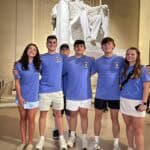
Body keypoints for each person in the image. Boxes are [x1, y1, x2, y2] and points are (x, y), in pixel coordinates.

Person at [36, 35, 67, 150]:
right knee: (43, 115)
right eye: (50, 42)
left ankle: (62, 138)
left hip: (58, 91)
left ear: (56, 44)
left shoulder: (62, 57)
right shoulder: (41, 57)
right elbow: (35, 71)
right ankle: (42, 139)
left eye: (54, 42)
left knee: (58, 115)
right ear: (46, 43)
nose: (52, 44)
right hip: (44, 91)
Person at [63, 40, 95, 149]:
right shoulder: (68, 61)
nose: (79, 48)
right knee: (72, 116)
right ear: (74, 48)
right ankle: (72, 137)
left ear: (84, 48)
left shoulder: (90, 60)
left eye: (81, 46)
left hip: (85, 94)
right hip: (71, 94)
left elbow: (92, 71)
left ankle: (84, 138)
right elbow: (61, 73)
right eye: (77, 46)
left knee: (84, 116)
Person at [94, 37, 124, 150]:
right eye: (104, 45)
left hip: (115, 95)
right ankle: (96, 142)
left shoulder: (120, 60)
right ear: (102, 47)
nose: (107, 46)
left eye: (109, 44)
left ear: (113, 46)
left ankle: (116, 143)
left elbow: (130, 68)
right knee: (97, 118)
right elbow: (87, 73)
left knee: (114, 119)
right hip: (100, 94)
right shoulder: (98, 61)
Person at [120, 47, 150, 150]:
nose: (130, 56)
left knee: (138, 130)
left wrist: (144, 103)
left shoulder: (142, 69)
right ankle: (130, 147)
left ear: (137, 56)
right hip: (124, 101)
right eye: (128, 54)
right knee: (129, 126)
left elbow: (146, 86)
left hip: (137, 102)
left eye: (132, 54)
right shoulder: (124, 68)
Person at [14, 43, 41, 150]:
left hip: (33, 97)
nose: (32, 50)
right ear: (26, 50)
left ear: (36, 53)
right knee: (22, 119)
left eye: (34, 49)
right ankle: (23, 141)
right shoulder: (18, 65)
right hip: (22, 97)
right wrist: (20, 97)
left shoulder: (39, 64)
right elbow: (17, 82)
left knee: (31, 119)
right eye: (30, 48)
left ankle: (30, 142)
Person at [52, 43, 71, 140]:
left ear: (69, 51)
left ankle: (71, 130)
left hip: (69, 93)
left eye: (66, 50)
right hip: (57, 92)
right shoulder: (56, 61)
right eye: (62, 50)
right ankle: (57, 129)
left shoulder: (72, 62)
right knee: (57, 113)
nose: (64, 52)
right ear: (59, 51)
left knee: (69, 113)